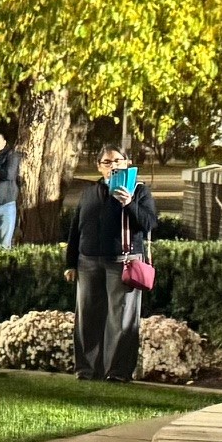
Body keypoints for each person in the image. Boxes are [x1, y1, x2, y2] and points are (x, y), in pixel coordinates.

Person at [63, 149, 156, 382]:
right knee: (86, 316)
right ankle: (87, 369)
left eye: (117, 161)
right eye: (106, 162)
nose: (112, 165)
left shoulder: (139, 190)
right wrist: (70, 262)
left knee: (121, 318)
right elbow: (76, 228)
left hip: (122, 262)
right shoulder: (90, 192)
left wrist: (130, 203)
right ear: (99, 166)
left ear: (127, 163)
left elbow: (149, 223)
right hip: (88, 261)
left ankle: (117, 372)